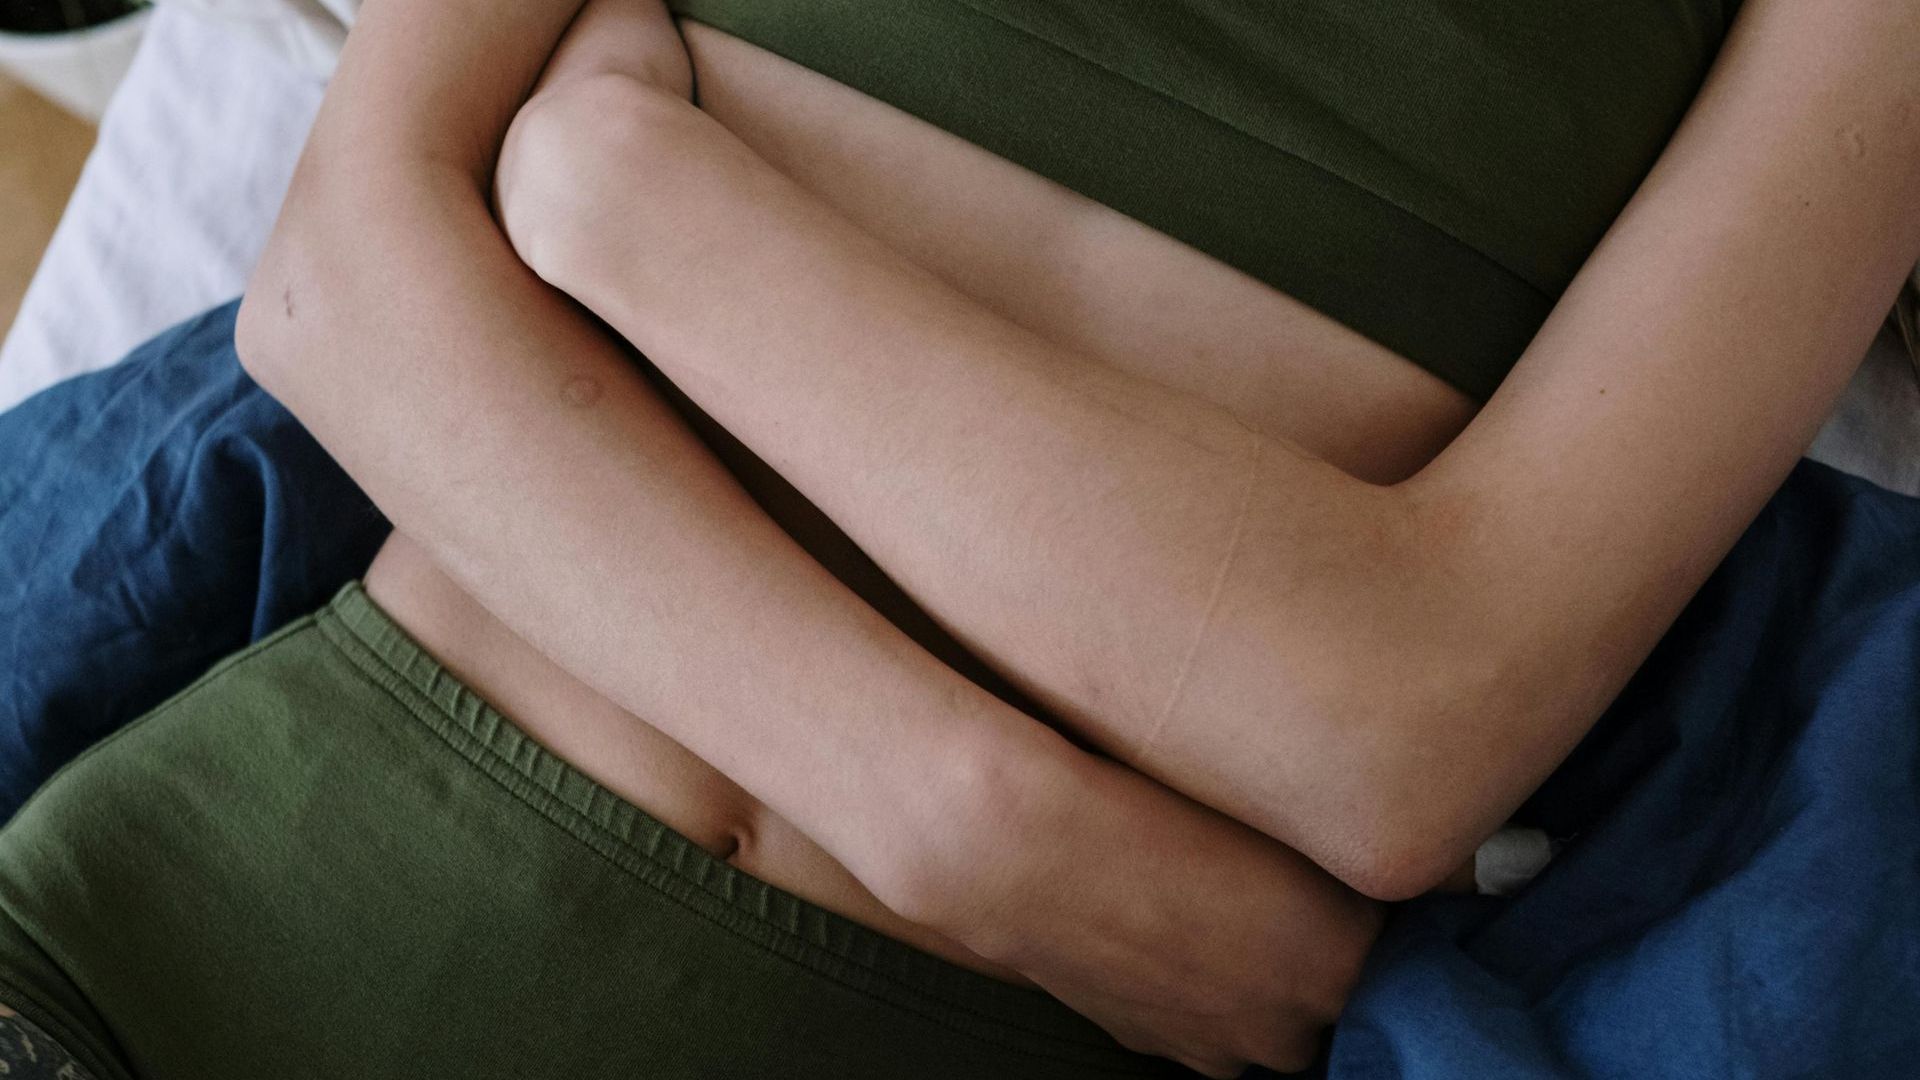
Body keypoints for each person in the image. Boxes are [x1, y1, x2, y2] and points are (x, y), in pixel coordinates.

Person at [1, 0, 1916, 1076]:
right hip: (206, 917)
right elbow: (338, 295)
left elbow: (1408, 720)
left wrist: (638, 205)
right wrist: (982, 826)